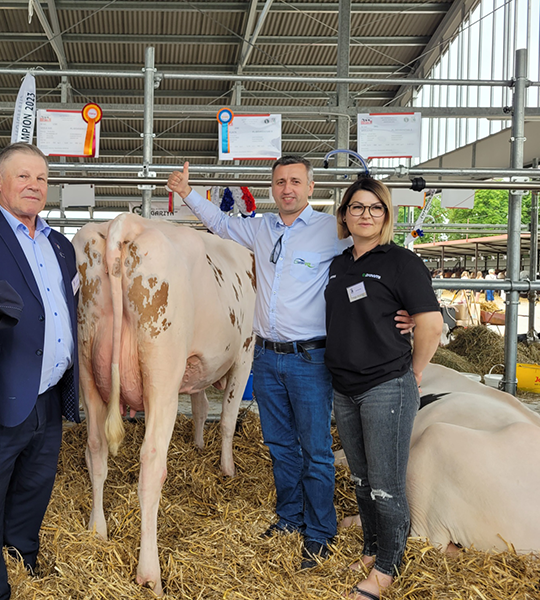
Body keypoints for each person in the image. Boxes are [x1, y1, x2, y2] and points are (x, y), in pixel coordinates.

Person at [167, 157, 413, 570]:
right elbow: (221, 223)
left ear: (310, 187)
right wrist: (186, 192)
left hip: (312, 358)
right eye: (280, 181)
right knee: (280, 446)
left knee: (315, 450)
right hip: (266, 355)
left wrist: (407, 309)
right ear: (272, 188)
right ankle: (289, 518)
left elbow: (377, 255)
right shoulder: (260, 228)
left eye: (295, 181)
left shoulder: (333, 229)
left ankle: (319, 532)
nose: (287, 188)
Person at [0, 142, 80, 599]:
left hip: (49, 388)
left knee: (35, 480)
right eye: (23, 177)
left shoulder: (60, 244)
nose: (34, 186)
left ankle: (21, 550)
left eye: (41, 179)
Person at [325, 177, 442, 600]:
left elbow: (431, 324)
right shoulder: (340, 264)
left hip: (386, 386)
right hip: (344, 387)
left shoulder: (401, 262)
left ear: (387, 216)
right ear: (344, 215)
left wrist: (413, 372)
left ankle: (388, 567)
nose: (366, 215)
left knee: (385, 483)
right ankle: (372, 548)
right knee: (360, 478)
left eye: (376, 208)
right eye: (357, 207)